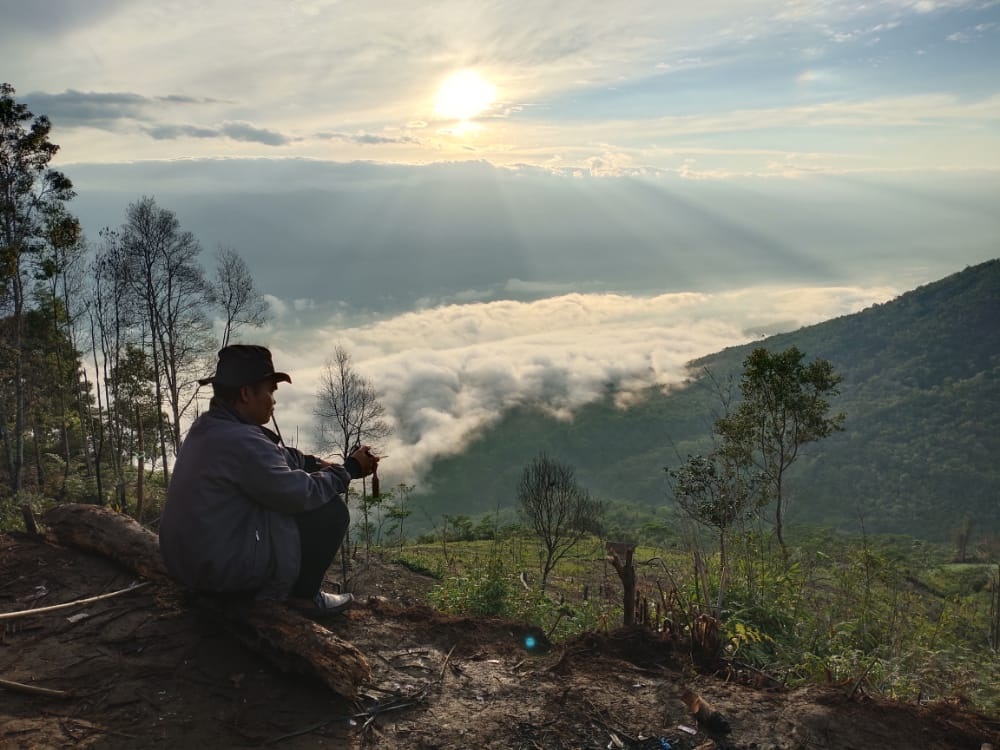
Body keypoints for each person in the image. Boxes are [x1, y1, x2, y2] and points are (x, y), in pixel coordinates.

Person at [158, 344, 378, 615]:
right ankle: (302, 596)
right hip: (218, 572)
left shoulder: (209, 428)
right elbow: (300, 494)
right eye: (270, 391)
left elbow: (269, 457)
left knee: (282, 498)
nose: (274, 401)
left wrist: (310, 462)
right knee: (328, 511)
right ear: (246, 393)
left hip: (188, 563)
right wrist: (350, 470)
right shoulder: (242, 440)